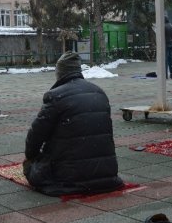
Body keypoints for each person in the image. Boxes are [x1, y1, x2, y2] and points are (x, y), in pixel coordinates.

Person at [24, 51, 123, 196]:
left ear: (60, 72)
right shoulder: (99, 92)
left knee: (30, 169)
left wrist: (31, 157)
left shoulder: (55, 96)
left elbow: (36, 135)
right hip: (106, 173)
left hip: (69, 176)